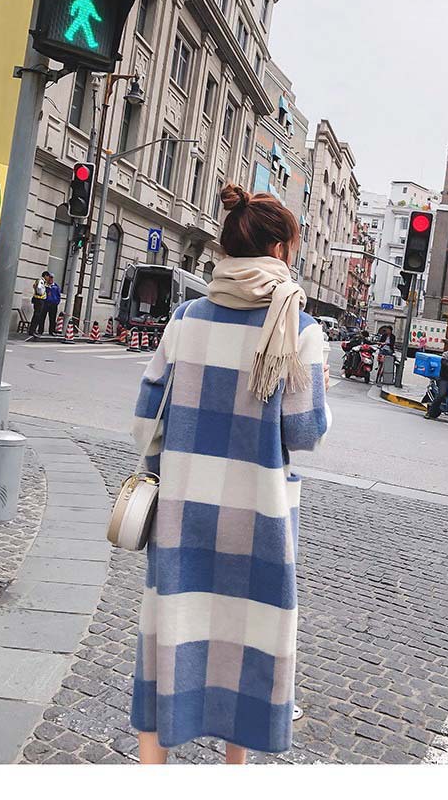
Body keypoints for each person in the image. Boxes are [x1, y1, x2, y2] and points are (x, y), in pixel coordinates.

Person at [130, 183, 331, 765]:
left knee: (168, 635)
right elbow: (305, 433)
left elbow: (146, 423)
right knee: (247, 641)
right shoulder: (299, 329)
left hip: (183, 514)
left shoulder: (185, 319)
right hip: (259, 517)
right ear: (280, 250)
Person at [27, 272, 47, 339]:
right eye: (48, 276)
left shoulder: (40, 281)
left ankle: (32, 330)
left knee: (37, 315)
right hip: (39, 300)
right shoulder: (41, 281)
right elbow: (39, 288)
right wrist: (41, 293)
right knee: (37, 316)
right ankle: (32, 330)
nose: (48, 278)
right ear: (45, 276)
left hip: (38, 299)